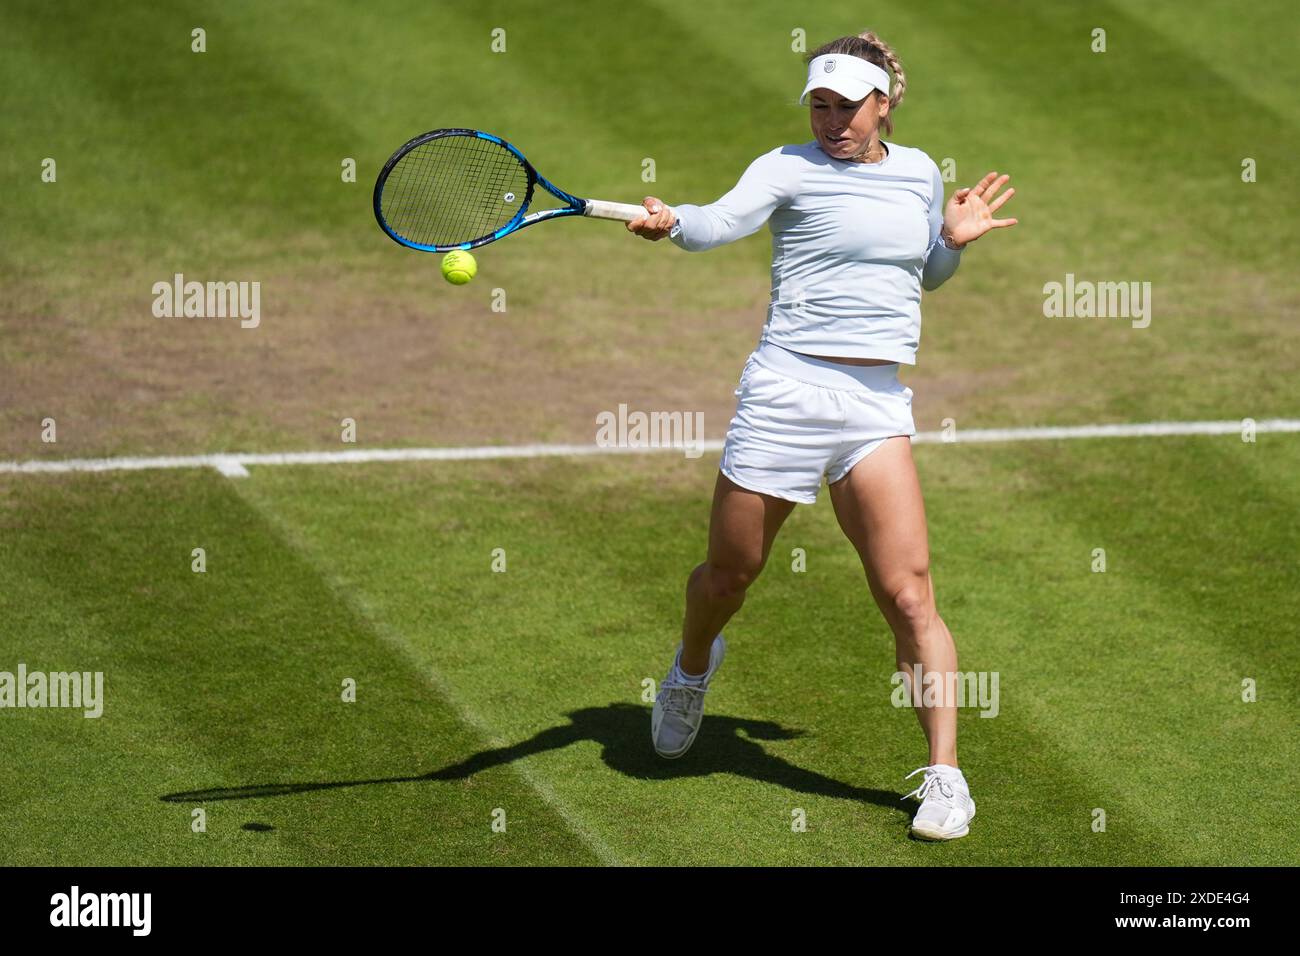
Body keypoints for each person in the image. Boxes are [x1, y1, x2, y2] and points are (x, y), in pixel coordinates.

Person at [626, 30, 1017, 841]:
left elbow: (923, 277)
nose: (832, 120)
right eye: (820, 104)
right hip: (786, 392)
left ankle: (946, 777)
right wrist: (673, 221)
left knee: (910, 595)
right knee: (731, 576)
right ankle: (692, 668)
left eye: (848, 106)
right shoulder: (785, 167)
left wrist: (952, 241)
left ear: (885, 105)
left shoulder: (919, 173)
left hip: (875, 402)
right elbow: (717, 222)